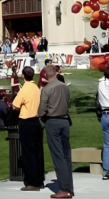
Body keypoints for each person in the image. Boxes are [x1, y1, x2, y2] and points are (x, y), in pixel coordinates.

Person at [39, 65, 73, 198]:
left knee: (57, 155)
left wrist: (42, 117)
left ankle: (64, 189)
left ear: (45, 75)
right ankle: (69, 187)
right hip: (65, 121)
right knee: (66, 155)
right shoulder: (65, 86)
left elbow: (42, 110)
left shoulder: (47, 89)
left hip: (53, 121)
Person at [12, 65, 45, 191]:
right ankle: (40, 180)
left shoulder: (25, 88)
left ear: (23, 76)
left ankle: (31, 182)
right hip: (36, 121)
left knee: (28, 153)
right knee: (38, 152)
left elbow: (15, 105)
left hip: (26, 121)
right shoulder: (36, 87)